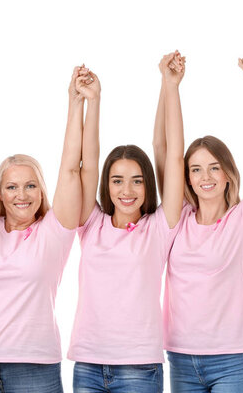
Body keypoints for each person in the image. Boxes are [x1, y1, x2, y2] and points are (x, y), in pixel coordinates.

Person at [0, 66, 89, 393]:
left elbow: (71, 168)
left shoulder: (54, 232)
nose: (21, 194)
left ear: (42, 192)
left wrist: (75, 102)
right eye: (12, 187)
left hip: (35, 367)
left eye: (31, 185)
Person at [68, 52, 186, 393]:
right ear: (107, 184)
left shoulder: (159, 227)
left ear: (148, 183)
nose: (127, 190)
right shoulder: (91, 224)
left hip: (139, 368)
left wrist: (171, 87)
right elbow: (85, 163)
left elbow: (174, 156)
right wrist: (93, 101)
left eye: (137, 180)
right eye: (117, 180)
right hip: (88, 364)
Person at [159, 57, 243, 392]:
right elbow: (166, 150)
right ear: (187, 177)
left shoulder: (242, 220)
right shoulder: (177, 218)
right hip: (180, 358)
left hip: (233, 360)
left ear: (227, 174)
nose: (204, 176)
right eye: (195, 169)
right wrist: (170, 87)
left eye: (213, 167)